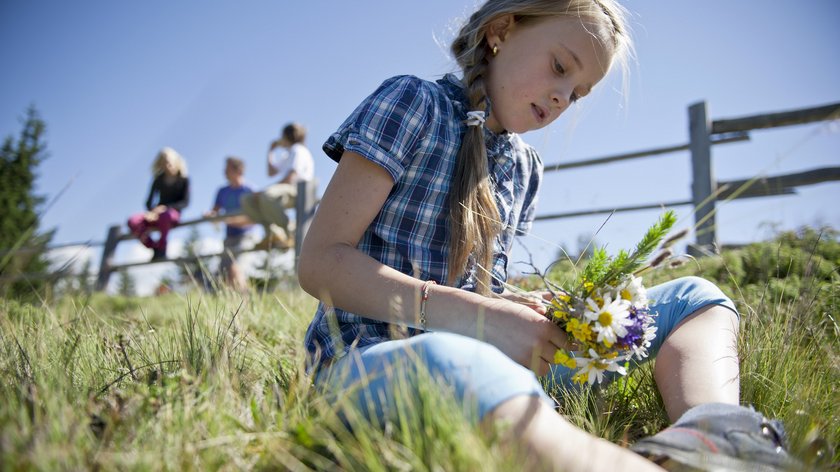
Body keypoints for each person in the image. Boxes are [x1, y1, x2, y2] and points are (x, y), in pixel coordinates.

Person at [297, 1, 797, 471]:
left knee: (695, 296)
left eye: (578, 93)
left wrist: (530, 308)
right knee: (456, 359)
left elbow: (482, 287)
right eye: (561, 67)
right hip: (365, 360)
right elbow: (320, 262)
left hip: (483, 352)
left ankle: (711, 434)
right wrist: (480, 318)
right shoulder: (413, 103)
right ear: (501, 31)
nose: (563, 98)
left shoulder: (523, 165)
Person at [241, 122, 314, 251]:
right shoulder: (288, 154)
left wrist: (264, 191)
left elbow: (291, 177)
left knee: (267, 195)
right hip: (285, 189)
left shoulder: (298, 150)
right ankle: (273, 233)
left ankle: (289, 229)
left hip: (298, 190)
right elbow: (271, 172)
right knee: (247, 200)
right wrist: (270, 151)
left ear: (287, 136)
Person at [127, 147, 190, 261]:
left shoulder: (183, 180)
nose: (167, 166)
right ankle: (154, 247)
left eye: (169, 162)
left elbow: (185, 202)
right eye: (164, 163)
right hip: (156, 213)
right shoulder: (158, 180)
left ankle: (162, 246)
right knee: (133, 221)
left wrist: (166, 208)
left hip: (171, 214)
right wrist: (152, 211)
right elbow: (148, 201)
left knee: (165, 215)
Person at [204, 157, 254, 292]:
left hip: (245, 236)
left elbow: (253, 219)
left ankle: (245, 302)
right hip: (229, 238)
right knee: (225, 272)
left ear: (238, 170)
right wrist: (210, 215)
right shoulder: (222, 191)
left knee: (235, 268)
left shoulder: (248, 190)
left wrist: (228, 220)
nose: (224, 172)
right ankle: (237, 303)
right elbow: (214, 211)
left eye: (228, 169)